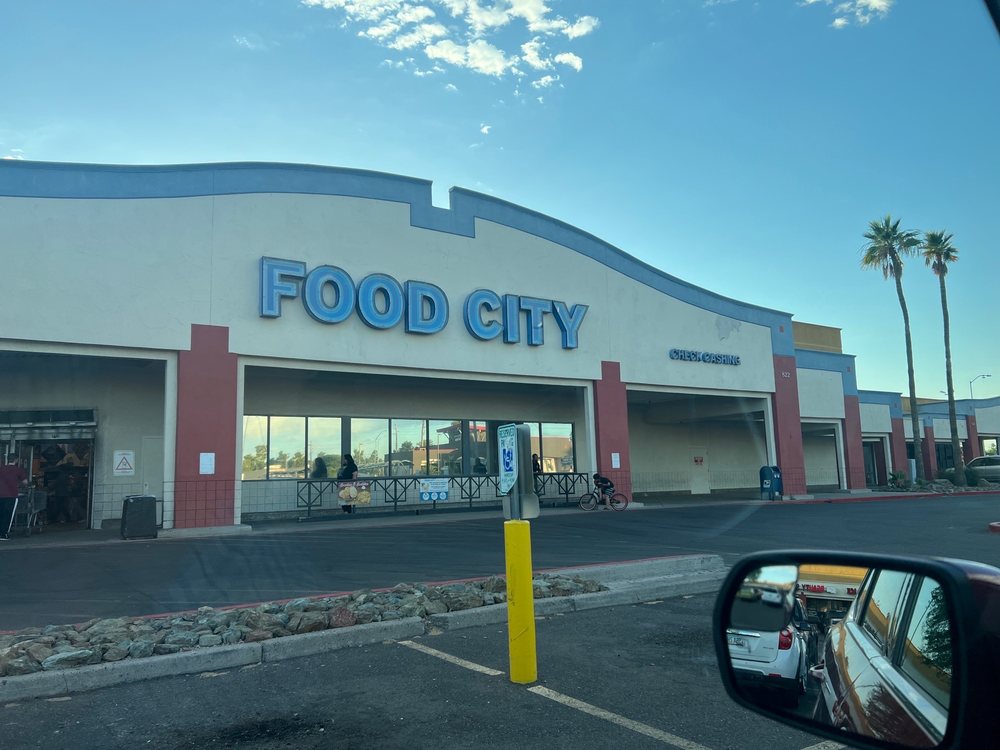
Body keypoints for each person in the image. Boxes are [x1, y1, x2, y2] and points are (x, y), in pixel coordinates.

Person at [0, 453, 29, 539]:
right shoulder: (18, 470)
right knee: (8, 515)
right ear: (16, 460)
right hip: (11, 495)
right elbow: (25, 482)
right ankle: (3, 534)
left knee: (1, 513)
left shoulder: (1, 468)